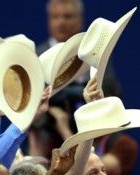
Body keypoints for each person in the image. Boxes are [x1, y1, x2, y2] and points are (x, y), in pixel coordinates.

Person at [32, 0, 122, 159]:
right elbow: (30, 109)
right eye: (55, 17)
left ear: (80, 20)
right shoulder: (35, 56)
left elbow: (109, 93)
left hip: (92, 139)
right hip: (47, 142)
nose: (61, 22)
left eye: (67, 16)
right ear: (49, 20)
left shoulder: (96, 53)